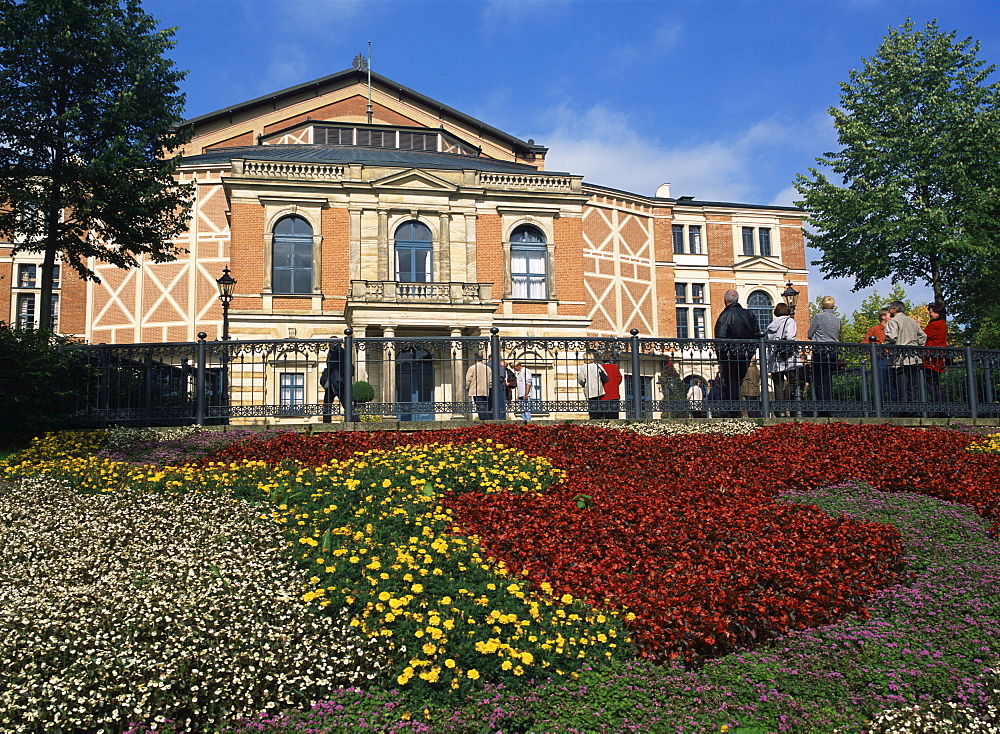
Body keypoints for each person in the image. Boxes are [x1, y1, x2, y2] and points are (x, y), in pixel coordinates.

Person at [713, 289, 759, 417]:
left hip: (730, 355)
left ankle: (733, 411)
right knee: (741, 384)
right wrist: (750, 352)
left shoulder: (725, 315)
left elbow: (720, 338)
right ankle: (737, 411)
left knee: (730, 384)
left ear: (726, 301)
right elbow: (756, 334)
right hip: (745, 355)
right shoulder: (749, 314)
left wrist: (721, 359)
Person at [884, 300, 927, 414]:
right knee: (913, 386)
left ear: (894, 309)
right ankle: (915, 410)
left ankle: (903, 411)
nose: (889, 310)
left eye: (890, 308)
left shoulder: (893, 321)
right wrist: (917, 345)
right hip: (914, 357)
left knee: (901, 386)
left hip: (900, 358)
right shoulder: (912, 321)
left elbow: (892, 337)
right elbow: (923, 335)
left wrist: (886, 344)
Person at [765, 303, 802, 417]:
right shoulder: (789, 321)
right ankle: (782, 404)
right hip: (787, 357)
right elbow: (790, 337)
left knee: (778, 384)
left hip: (774, 357)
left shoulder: (771, 324)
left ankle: (779, 411)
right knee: (794, 381)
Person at [807, 296, 842, 416]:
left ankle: (821, 408)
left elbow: (810, 334)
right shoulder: (837, 319)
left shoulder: (818, 317)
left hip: (820, 351)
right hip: (833, 351)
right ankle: (828, 406)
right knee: (828, 380)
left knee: (818, 380)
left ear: (822, 306)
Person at [321, 336, 358, 422]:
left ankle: (326, 423)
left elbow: (331, 366)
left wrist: (326, 375)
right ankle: (355, 421)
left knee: (327, 404)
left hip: (335, 381)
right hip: (342, 381)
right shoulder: (344, 351)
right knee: (346, 403)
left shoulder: (334, 351)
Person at [863, 308, 896, 406]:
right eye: (891, 316)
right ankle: (878, 409)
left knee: (893, 387)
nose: (893, 318)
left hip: (893, 359)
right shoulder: (874, 330)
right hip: (881, 360)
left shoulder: (895, 329)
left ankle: (893, 411)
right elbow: (864, 345)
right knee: (880, 386)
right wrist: (874, 353)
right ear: (883, 317)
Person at [922, 301, 948, 408]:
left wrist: (917, 326)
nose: (929, 314)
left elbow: (923, 336)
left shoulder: (935, 325)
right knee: (934, 383)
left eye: (931, 312)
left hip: (931, 359)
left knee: (931, 384)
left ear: (937, 313)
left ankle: (941, 407)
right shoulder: (942, 324)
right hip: (936, 359)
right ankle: (942, 407)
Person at [577, 352, 606, 419]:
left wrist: (583, 384)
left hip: (590, 389)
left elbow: (581, 379)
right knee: (599, 405)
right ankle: (600, 417)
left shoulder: (583, 367)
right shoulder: (598, 365)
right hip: (599, 389)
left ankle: (593, 417)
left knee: (592, 406)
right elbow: (605, 375)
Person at [465, 353, 492, 420]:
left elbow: (468, 380)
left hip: (476, 390)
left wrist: (467, 387)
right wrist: (489, 387)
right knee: (485, 407)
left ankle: (484, 420)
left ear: (475, 359)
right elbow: (490, 381)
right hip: (485, 390)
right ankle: (486, 420)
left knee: (479, 407)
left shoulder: (472, 368)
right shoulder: (488, 368)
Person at [599, 353, 623, 419]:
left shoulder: (600, 367)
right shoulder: (614, 367)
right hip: (614, 392)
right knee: (614, 412)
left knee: (604, 412)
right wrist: (615, 383)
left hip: (604, 392)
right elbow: (619, 378)